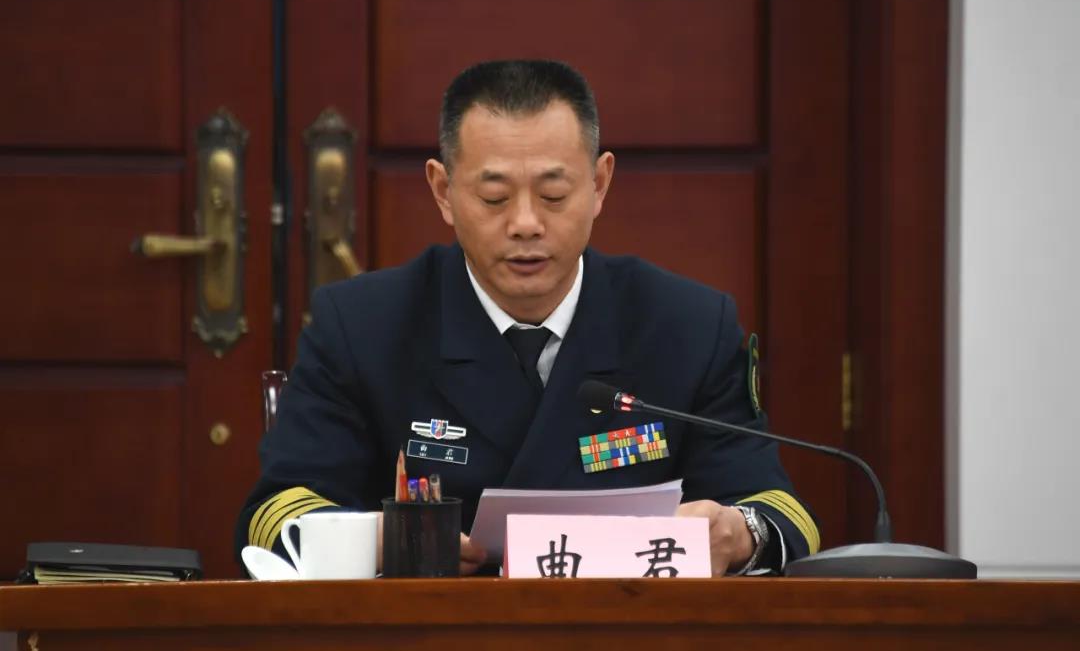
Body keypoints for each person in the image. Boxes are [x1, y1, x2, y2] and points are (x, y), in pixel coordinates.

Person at [237, 60, 819, 576]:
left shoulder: (686, 326)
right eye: (494, 198)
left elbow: (779, 512)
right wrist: (378, 542)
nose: (525, 224)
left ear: (599, 184)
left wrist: (738, 534)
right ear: (442, 191)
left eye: (554, 195)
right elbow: (277, 512)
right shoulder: (362, 327)